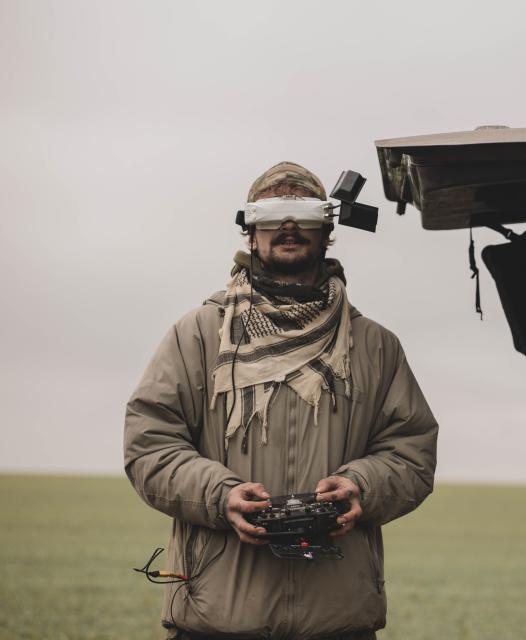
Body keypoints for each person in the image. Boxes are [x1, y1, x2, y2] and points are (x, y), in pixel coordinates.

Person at [124, 162, 438, 640]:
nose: (288, 226)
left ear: (327, 228)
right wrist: (220, 495)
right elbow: (149, 445)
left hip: (338, 620)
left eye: (303, 213)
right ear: (251, 230)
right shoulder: (198, 335)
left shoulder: (374, 345)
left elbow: (411, 452)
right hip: (215, 616)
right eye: (272, 213)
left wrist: (361, 486)